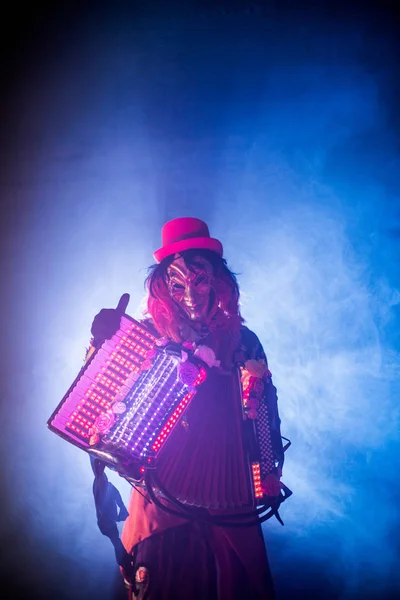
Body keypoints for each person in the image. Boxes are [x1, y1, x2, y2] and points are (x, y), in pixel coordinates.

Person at [90, 217, 288, 600]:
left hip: (233, 503)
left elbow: (264, 412)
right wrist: (103, 347)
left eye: (199, 281)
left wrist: (267, 468)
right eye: (178, 285)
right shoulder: (149, 335)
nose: (192, 296)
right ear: (164, 288)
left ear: (219, 282)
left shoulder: (245, 341)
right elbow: (99, 409)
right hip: (159, 500)